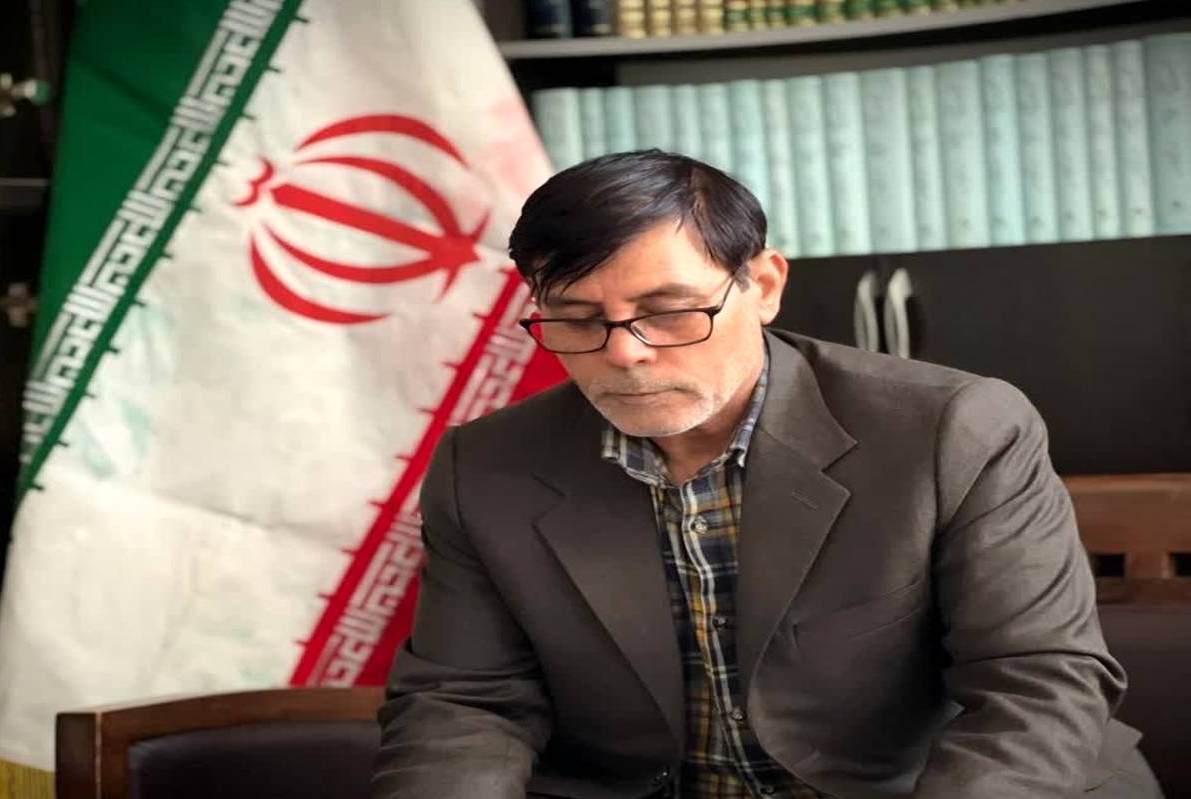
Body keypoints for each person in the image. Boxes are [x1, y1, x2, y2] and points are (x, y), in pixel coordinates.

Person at [371, 150, 1161, 798]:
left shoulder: (955, 428)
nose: (625, 353)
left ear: (765, 286)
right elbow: (464, 702)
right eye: (577, 319)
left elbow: (1035, 683)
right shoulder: (486, 467)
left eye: (668, 310)